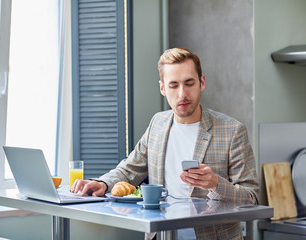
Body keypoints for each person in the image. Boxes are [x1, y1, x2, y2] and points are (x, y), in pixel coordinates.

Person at [71, 48, 259, 239]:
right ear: (162, 88)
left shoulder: (232, 130)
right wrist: (102, 183)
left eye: (189, 83)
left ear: (202, 82)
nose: (182, 94)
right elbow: (129, 170)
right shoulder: (158, 124)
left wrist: (216, 184)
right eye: (173, 85)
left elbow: (252, 197)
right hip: (161, 235)